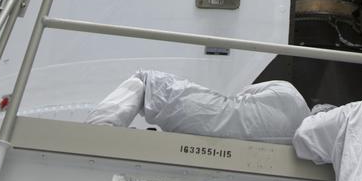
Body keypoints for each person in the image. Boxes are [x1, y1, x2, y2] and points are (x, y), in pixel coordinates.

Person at [87, 67, 312, 143]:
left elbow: (242, 95)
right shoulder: (299, 132)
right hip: (252, 124)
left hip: (220, 119)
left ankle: (99, 133)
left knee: (146, 81)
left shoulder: (288, 92)